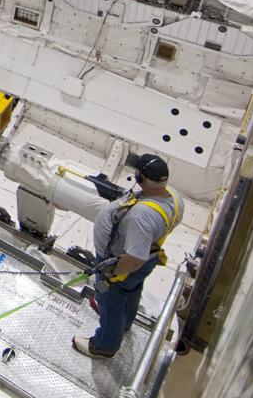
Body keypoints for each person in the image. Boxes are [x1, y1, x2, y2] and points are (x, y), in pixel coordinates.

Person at [73, 153, 183, 359]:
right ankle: (125, 323)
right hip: (148, 259)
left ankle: (105, 345)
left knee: (111, 300)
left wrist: (112, 273)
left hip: (123, 265)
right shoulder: (174, 197)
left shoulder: (142, 215)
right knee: (131, 291)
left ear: (141, 178)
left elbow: (134, 259)